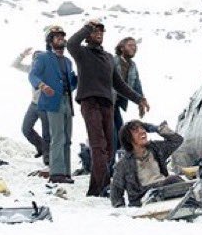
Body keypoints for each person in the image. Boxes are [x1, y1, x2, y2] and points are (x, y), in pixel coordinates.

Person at [67, 19, 150, 196]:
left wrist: (138, 99)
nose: (98, 33)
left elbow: (119, 84)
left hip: (107, 104)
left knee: (110, 147)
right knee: (98, 145)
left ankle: (96, 188)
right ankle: (102, 187)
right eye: (94, 31)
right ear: (88, 36)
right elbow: (71, 43)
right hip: (90, 102)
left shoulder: (107, 58)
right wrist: (87, 27)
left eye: (101, 31)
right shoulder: (82, 53)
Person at [29, 26, 78, 183]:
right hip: (52, 102)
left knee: (68, 138)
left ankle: (66, 172)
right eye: (56, 36)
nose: (60, 39)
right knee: (58, 136)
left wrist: (78, 78)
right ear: (50, 41)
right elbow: (32, 75)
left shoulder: (68, 62)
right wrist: (42, 86)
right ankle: (57, 174)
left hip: (67, 101)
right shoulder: (43, 58)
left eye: (62, 36)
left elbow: (70, 84)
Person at [109, 120, 184, 207]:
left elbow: (177, 140)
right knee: (173, 180)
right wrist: (121, 208)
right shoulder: (123, 163)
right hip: (143, 198)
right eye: (136, 131)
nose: (142, 131)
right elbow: (116, 189)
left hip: (164, 189)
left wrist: (157, 128)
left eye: (143, 128)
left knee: (180, 182)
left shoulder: (156, 148)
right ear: (128, 138)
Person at [12, 47, 50, 161]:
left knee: (47, 133)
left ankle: (48, 157)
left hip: (46, 106)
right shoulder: (31, 69)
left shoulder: (49, 71)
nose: (36, 61)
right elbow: (15, 64)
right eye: (34, 59)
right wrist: (22, 54)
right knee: (26, 129)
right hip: (33, 104)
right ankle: (40, 147)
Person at [113, 37, 145, 152]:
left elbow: (137, 84)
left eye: (135, 45)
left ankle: (113, 163)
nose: (134, 47)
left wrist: (141, 101)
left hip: (117, 104)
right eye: (130, 45)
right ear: (122, 48)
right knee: (113, 133)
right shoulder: (112, 61)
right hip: (107, 102)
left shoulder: (133, 65)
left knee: (119, 133)